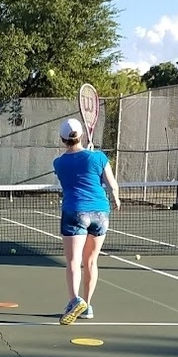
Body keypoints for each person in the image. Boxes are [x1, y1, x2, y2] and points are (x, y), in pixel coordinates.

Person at [52, 118, 121, 325]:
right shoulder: (99, 157)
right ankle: (87, 306)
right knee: (91, 261)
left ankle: (75, 301)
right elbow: (112, 184)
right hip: (101, 213)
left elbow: (75, 173)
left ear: (62, 139)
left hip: (75, 211)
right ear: (81, 135)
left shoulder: (58, 163)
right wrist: (116, 199)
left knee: (74, 261)